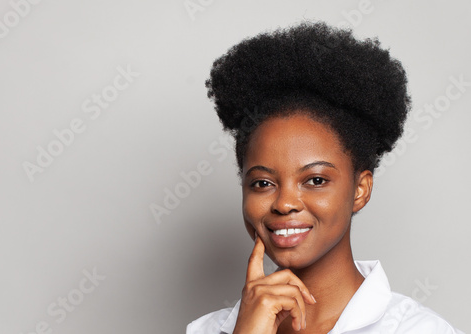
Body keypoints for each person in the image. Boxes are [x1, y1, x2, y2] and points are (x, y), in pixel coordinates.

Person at [186, 21, 464, 334]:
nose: (285, 203)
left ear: (360, 190)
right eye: (263, 183)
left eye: (315, 180)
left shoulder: (418, 330)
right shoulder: (206, 330)